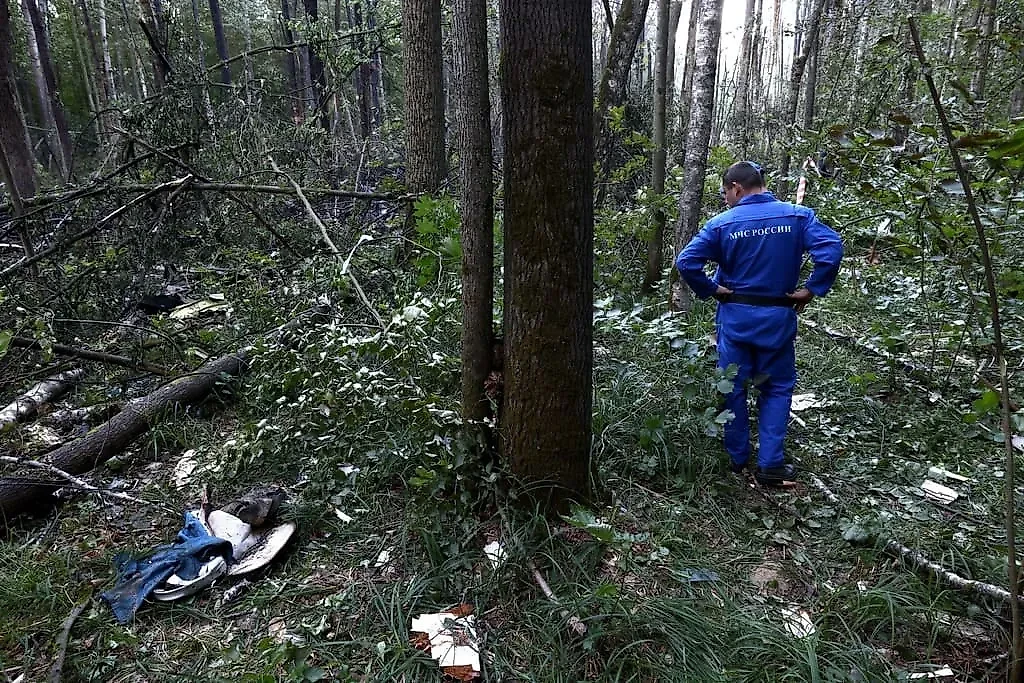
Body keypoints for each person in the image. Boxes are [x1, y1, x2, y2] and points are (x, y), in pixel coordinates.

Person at [675, 161, 843, 486]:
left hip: (735, 320)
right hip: (777, 320)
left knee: (733, 387)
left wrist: (711, 289)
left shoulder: (721, 224)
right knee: (777, 389)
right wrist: (811, 289)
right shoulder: (796, 216)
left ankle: (737, 460)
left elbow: (686, 261)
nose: (725, 200)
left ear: (736, 188)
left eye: (725, 193)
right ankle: (770, 465)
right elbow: (831, 249)